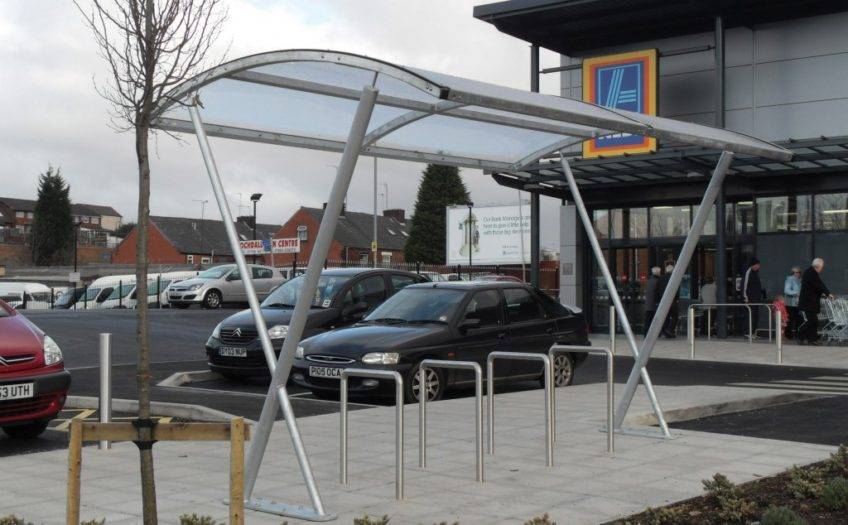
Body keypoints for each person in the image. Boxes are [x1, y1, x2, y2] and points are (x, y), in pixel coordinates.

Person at [798, 258, 835, 345]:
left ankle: (809, 338)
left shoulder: (811, 272)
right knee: (813, 321)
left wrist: (823, 294)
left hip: (810, 302)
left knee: (813, 321)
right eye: (822, 267)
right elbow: (819, 285)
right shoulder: (811, 273)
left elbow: (815, 286)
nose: (822, 269)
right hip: (808, 302)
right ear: (818, 266)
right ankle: (803, 335)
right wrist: (828, 294)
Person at [743, 258, 764, 339]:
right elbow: (745, 285)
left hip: (756, 298)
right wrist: (745, 297)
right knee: (750, 316)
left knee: (755, 316)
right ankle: (748, 332)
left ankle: (753, 332)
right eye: (758, 265)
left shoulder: (755, 273)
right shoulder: (749, 272)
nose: (759, 266)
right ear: (754, 265)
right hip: (750, 299)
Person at [783, 266, 802, 339]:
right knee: (790, 320)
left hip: (797, 303)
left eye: (798, 272)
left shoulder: (800, 280)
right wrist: (796, 293)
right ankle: (789, 336)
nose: (797, 274)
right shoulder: (790, 279)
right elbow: (786, 290)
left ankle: (797, 334)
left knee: (798, 320)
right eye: (795, 272)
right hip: (790, 303)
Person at [660, 262, 678, 338]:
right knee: (675, 315)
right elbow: (676, 290)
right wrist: (677, 299)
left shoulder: (661, 278)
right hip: (672, 300)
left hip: (663, 300)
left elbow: (659, 289)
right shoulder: (674, 278)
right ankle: (670, 329)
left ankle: (665, 331)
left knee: (666, 316)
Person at [644, 266, 661, 335]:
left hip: (648, 303)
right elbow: (658, 293)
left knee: (648, 319)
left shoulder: (650, 280)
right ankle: (653, 333)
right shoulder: (658, 281)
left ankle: (646, 333)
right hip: (654, 304)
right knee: (654, 319)